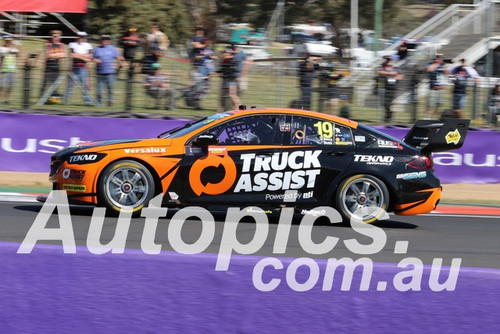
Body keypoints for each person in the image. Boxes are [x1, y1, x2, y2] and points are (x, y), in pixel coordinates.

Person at [92, 35, 124, 107]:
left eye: (106, 40)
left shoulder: (112, 48)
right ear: (101, 41)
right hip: (100, 72)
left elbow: (119, 57)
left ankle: (110, 103)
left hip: (110, 72)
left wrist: (121, 62)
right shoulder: (97, 49)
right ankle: (99, 104)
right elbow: (92, 58)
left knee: (110, 89)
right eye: (103, 40)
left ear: (109, 41)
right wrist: (96, 60)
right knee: (99, 90)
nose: (104, 41)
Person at [64, 32, 93, 105]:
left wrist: (78, 56)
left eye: (83, 37)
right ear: (77, 37)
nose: (81, 38)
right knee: (70, 86)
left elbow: (90, 56)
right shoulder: (72, 44)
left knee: (85, 86)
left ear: (85, 38)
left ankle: (87, 102)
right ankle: (66, 101)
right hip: (74, 68)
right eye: (80, 37)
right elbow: (72, 55)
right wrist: (84, 57)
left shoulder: (88, 45)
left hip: (84, 68)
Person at [377, 58, 404, 123]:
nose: (388, 62)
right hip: (384, 88)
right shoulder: (382, 67)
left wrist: (390, 75)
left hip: (393, 88)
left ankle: (388, 116)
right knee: (384, 104)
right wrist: (390, 74)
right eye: (387, 60)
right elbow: (379, 72)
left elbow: (400, 77)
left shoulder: (396, 68)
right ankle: (388, 115)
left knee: (388, 103)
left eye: (389, 60)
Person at [40, 30, 66, 97]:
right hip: (49, 65)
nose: (54, 38)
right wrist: (58, 55)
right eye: (53, 36)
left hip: (56, 65)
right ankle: (42, 96)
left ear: (60, 37)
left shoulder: (61, 45)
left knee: (56, 82)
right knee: (45, 82)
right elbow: (48, 55)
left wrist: (54, 55)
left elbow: (64, 55)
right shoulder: (48, 44)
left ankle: (53, 96)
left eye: (56, 36)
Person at [426, 54, 448, 118]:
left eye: (440, 58)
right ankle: (427, 119)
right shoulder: (430, 64)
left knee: (438, 106)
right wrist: (437, 64)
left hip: (440, 88)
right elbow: (429, 69)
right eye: (437, 58)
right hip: (433, 88)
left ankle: (435, 119)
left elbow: (447, 74)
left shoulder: (443, 66)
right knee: (430, 106)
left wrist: (445, 67)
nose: (438, 60)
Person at [218, 46, 239, 111]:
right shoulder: (225, 59)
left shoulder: (232, 58)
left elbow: (229, 57)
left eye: (225, 52)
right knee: (223, 95)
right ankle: (221, 109)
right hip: (226, 78)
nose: (224, 54)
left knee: (232, 94)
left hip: (231, 79)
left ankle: (238, 108)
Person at [0, 36, 20, 104]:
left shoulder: (14, 49)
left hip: (13, 70)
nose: (8, 42)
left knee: (10, 86)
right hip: (5, 69)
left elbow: (18, 55)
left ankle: (7, 100)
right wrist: (12, 47)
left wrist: (19, 45)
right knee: (2, 86)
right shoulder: (2, 48)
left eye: (9, 40)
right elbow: (5, 53)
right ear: (4, 41)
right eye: (7, 40)